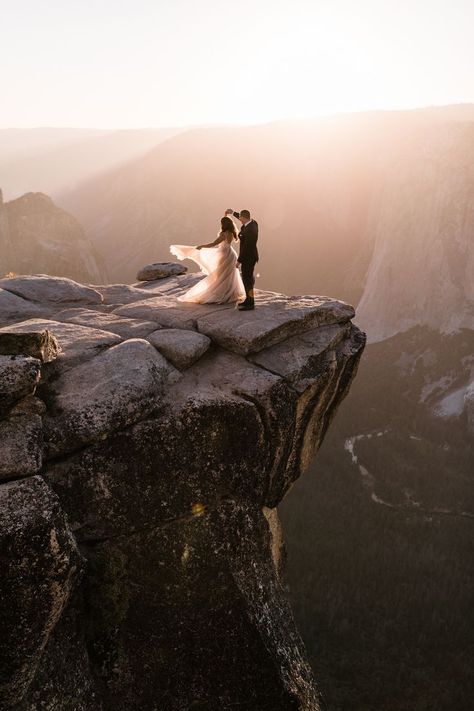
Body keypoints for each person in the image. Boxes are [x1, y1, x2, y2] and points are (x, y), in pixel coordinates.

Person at [170, 216, 246, 304]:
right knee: (229, 274)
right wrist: (226, 215)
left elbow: (214, 243)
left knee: (220, 275)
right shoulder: (232, 232)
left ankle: (222, 293)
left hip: (224, 254)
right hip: (231, 254)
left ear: (223, 224)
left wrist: (202, 246)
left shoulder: (223, 234)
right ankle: (230, 292)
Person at [225, 208, 258, 310]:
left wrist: (239, 261)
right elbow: (242, 216)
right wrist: (233, 213)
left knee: (247, 280)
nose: (239, 220)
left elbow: (247, 248)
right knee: (248, 279)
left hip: (248, 257)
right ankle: (248, 300)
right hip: (251, 256)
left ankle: (250, 303)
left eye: (240, 218)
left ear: (244, 218)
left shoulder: (250, 230)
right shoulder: (253, 223)